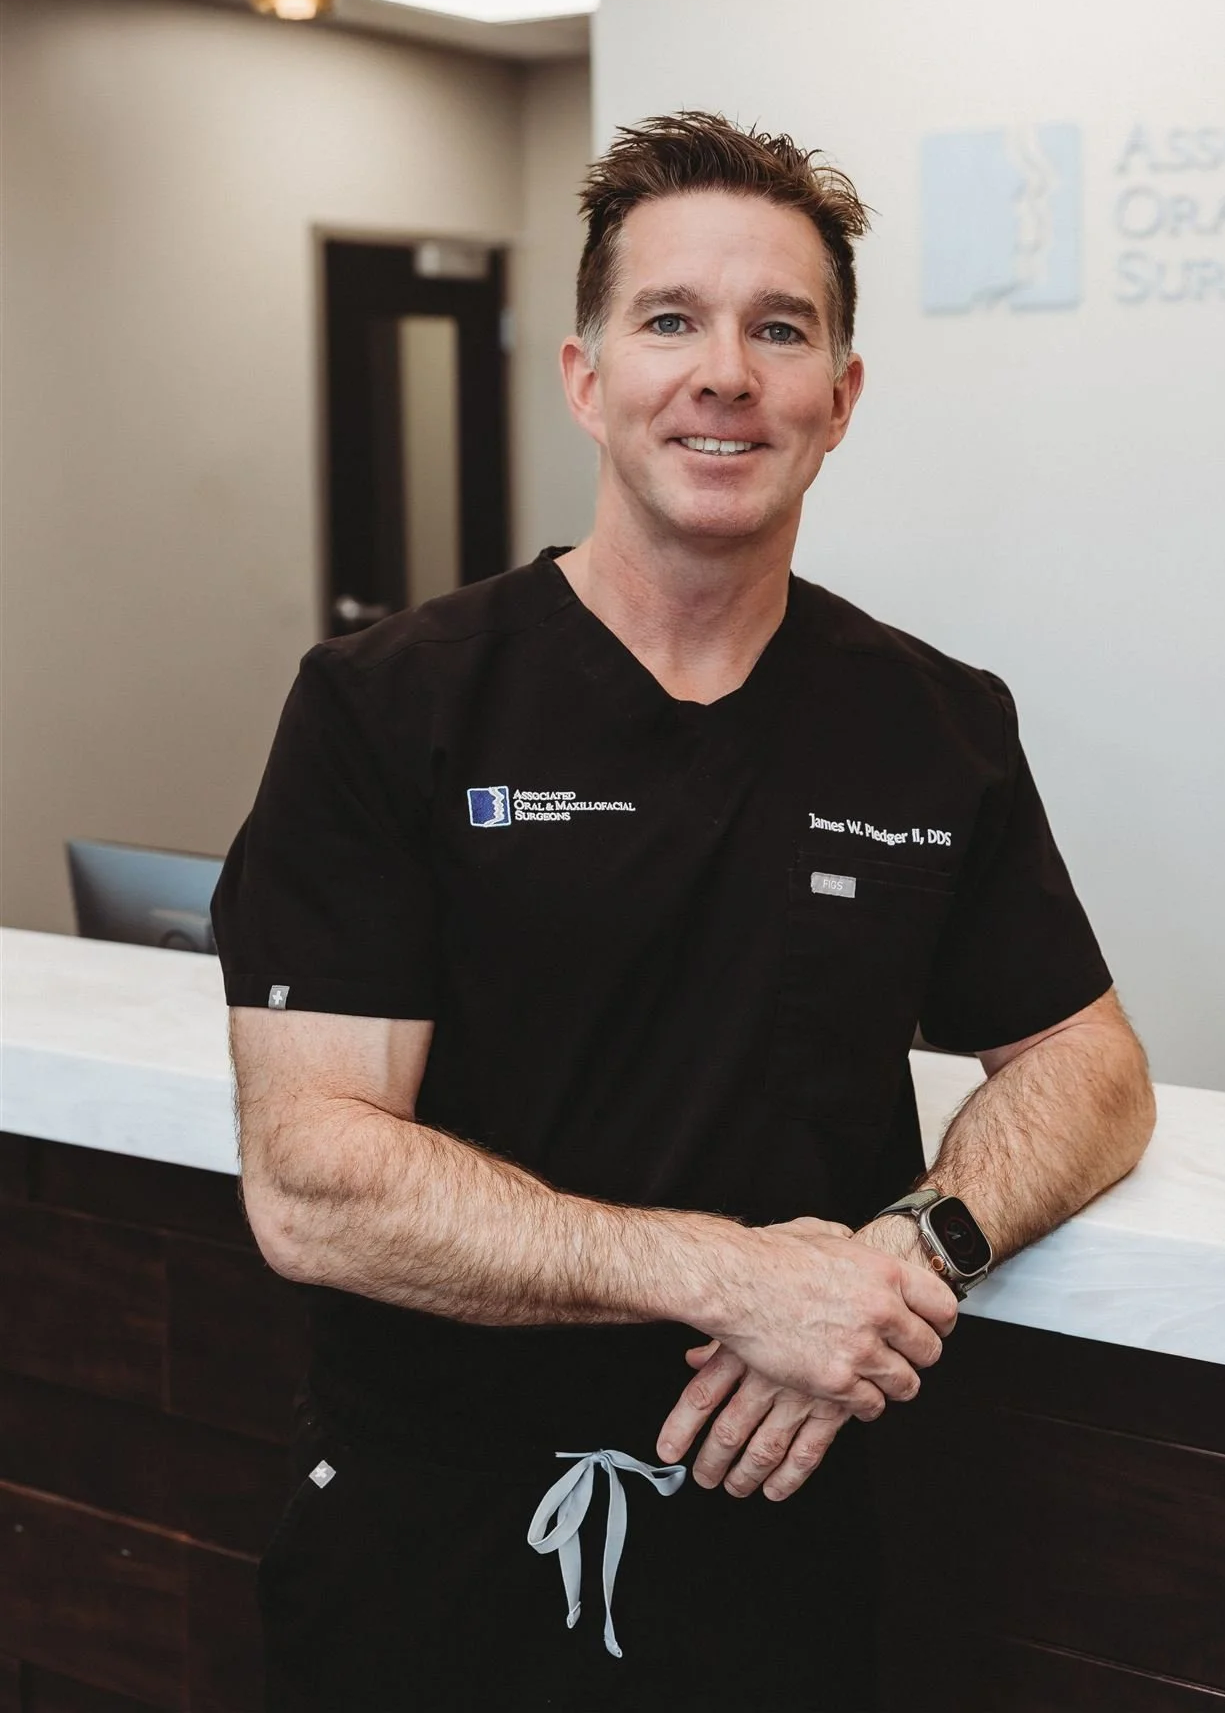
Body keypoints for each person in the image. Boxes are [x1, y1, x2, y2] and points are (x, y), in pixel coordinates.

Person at [213, 111, 1155, 1713]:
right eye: (671, 321)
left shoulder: (934, 722)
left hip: (778, 1546)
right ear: (588, 378)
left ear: (839, 401)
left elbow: (1091, 1068)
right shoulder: (392, 707)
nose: (725, 372)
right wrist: (731, 1278)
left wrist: (907, 1249)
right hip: (432, 1549)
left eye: (779, 330)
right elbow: (314, 1184)